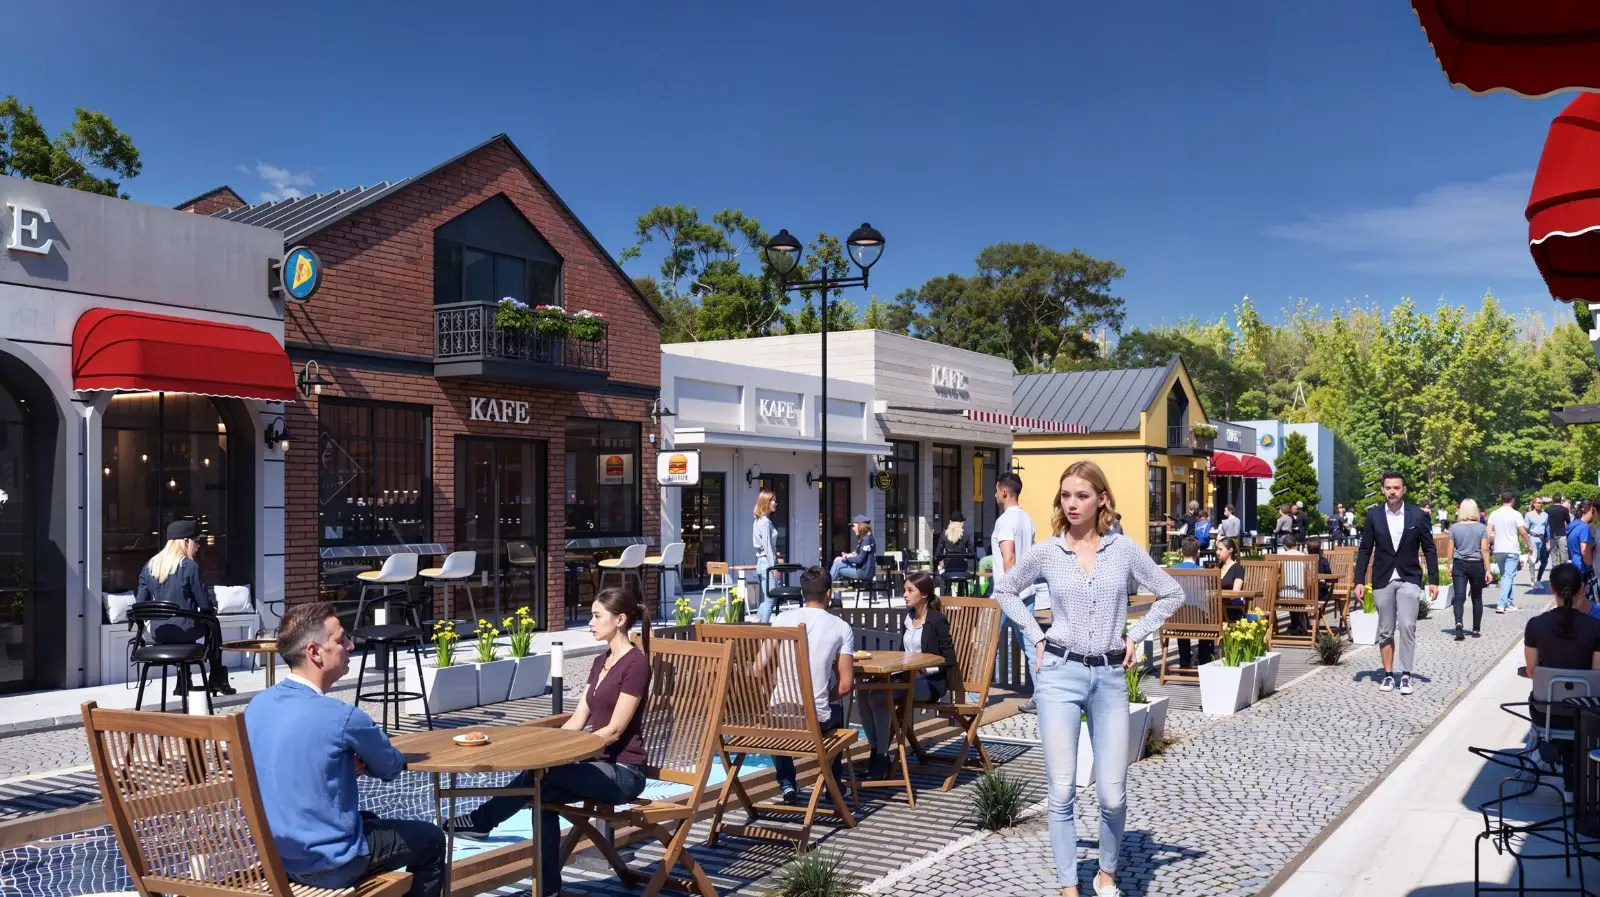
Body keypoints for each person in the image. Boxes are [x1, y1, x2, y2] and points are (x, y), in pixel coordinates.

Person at [994, 460, 1183, 897]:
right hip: (1059, 674)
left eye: (1082, 495)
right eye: (1066, 495)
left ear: (1102, 499)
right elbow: (1005, 588)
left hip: (1110, 675)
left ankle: (1106, 874)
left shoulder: (1124, 550)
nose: (1072, 504)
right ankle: (1068, 886)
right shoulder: (1047, 552)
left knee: (1113, 795)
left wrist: (1135, 633)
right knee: (1061, 791)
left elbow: (1171, 592)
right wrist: (1035, 634)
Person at [452, 589, 651, 895]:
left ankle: (481, 821)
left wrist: (567, 753)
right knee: (540, 795)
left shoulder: (636, 664)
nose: (590, 622)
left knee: (545, 774)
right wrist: (545, 747)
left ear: (620, 619)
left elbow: (614, 730)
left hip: (624, 772)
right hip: (596, 767)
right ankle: (547, 890)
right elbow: (577, 719)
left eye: (597, 616)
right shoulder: (601, 661)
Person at [245, 603, 446, 897]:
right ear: (314, 652)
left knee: (370, 820)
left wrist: (335, 768)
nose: (351, 646)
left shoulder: (257, 706)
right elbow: (390, 767)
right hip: (330, 863)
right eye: (341, 640)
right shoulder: (343, 717)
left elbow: (280, 765)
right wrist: (359, 762)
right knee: (432, 839)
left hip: (276, 858)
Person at [857, 571, 957, 779]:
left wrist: (923, 669)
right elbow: (903, 654)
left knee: (878, 695)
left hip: (930, 683)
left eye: (910, 590)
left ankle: (882, 755)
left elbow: (949, 659)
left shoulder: (937, 621)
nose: (905, 594)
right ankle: (875, 750)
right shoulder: (908, 618)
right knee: (864, 691)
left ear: (924, 594)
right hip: (906, 679)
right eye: (905, 590)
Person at [770, 567, 854, 804]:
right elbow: (845, 686)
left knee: (779, 713)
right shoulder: (840, 627)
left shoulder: (781, 619)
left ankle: (787, 783)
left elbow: (757, 668)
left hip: (776, 718)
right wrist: (824, 697)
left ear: (802, 593)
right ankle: (832, 784)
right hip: (812, 720)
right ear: (829, 593)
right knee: (835, 712)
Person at [1353, 471, 1441, 696]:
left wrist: (1433, 580)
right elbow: (1365, 550)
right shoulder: (1373, 516)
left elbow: (1429, 548)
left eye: (1396, 488)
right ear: (1383, 490)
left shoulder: (1417, 515)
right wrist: (1359, 581)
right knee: (1386, 630)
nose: (1392, 492)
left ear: (1404, 490)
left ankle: (1406, 675)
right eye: (1388, 488)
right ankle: (1389, 674)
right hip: (1383, 578)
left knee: (1408, 626)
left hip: (1409, 577)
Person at [135, 518, 233, 696]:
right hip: (186, 632)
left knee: (192, 623)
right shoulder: (190, 567)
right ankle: (217, 677)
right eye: (197, 541)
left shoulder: (149, 567)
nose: (199, 546)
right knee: (212, 622)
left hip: (159, 633)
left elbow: (140, 605)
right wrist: (209, 610)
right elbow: (205, 605)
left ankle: (184, 680)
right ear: (186, 541)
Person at [1523, 564, 1600, 773]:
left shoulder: (1535, 625)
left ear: (1552, 589)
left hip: (1546, 712)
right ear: (1582, 589)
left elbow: (1532, 671)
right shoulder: (1596, 628)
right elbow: (1596, 677)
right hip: (1586, 715)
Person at [991, 472, 1039, 712]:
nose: (994, 495)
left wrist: (1009, 588)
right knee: (1031, 644)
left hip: (1007, 593)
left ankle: (972, 696)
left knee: (986, 642)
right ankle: (1041, 696)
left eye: (996, 490)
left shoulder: (1005, 521)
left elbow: (1008, 557)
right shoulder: (1027, 519)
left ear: (1003, 491)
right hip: (1027, 591)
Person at [1447, 499, 1490, 641]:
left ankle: (1458, 622)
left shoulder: (1454, 528)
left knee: (1459, 597)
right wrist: (1488, 569)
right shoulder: (1481, 528)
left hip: (1459, 564)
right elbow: (1485, 550)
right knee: (1477, 598)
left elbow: (1450, 549)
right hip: (1476, 564)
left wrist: (1449, 565)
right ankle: (1476, 630)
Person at [1277, 534, 1331, 635]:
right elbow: (1310, 578)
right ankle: (1299, 626)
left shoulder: (1279, 558)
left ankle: (1295, 626)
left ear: (1284, 546)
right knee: (1298, 594)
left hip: (1283, 596)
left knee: (1291, 594)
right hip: (1303, 596)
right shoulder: (1305, 557)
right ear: (1296, 545)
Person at [1170, 537, 1212, 668]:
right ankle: (1204, 662)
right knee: (1207, 624)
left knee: (1182, 618)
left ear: (1181, 552)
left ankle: (1184, 662)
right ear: (1198, 552)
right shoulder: (1203, 573)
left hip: (1176, 620)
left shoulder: (1171, 571)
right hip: (1199, 619)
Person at [1488, 491, 1531, 614]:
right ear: (1513, 500)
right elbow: (1523, 532)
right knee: (1508, 576)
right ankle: (1501, 604)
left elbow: (1488, 532)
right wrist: (1529, 544)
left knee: (1506, 577)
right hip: (1511, 549)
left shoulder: (1494, 514)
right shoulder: (1516, 514)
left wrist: (1485, 546)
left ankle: (1509, 603)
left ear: (1501, 499)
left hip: (1498, 549)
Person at [828, 515, 877, 591]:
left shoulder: (866, 539)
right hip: (864, 570)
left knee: (837, 566)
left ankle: (824, 587)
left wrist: (845, 559)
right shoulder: (868, 538)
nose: (852, 529)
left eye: (853, 526)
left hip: (863, 572)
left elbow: (859, 559)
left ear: (861, 526)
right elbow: (857, 553)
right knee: (838, 561)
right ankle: (826, 587)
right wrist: (845, 556)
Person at [753, 489, 781, 622]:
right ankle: (763, 629)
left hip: (761, 562)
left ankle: (758, 622)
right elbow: (768, 547)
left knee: (768, 598)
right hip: (767, 563)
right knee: (771, 599)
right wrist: (774, 567)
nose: (775, 503)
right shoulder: (765, 522)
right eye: (772, 500)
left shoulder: (757, 520)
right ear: (766, 502)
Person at [934, 510, 973, 587]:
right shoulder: (965, 535)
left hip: (948, 567)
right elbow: (971, 554)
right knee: (962, 579)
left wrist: (943, 557)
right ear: (961, 523)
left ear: (950, 522)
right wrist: (964, 554)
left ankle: (947, 591)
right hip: (962, 568)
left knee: (944, 576)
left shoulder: (944, 535)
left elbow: (937, 554)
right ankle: (961, 591)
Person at [1526, 496, 1550, 584]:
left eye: (1540, 503)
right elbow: (1526, 529)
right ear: (1533, 504)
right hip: (1533, 538)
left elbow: (1547, 528)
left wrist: (1548, 541)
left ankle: (1538, 579)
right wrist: (1527, 542)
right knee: (1532, 560)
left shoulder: (1545, 515)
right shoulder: (1528, 515)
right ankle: (1533, 579)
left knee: (1544, 561)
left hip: (1542, 539)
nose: (1539, 504)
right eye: (1537, 503)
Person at [1545, 494, 1571, 574]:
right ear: (1560, 500)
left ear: (1553, 500)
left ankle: (1555, 573)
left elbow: (1545, 523)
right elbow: (1568, 521)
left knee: (1554, 557)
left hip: (1552, 534)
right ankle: (1565, 572)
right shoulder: (1564, 510)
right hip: (1562, 533)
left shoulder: (1547, 510)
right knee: (1564, 555)